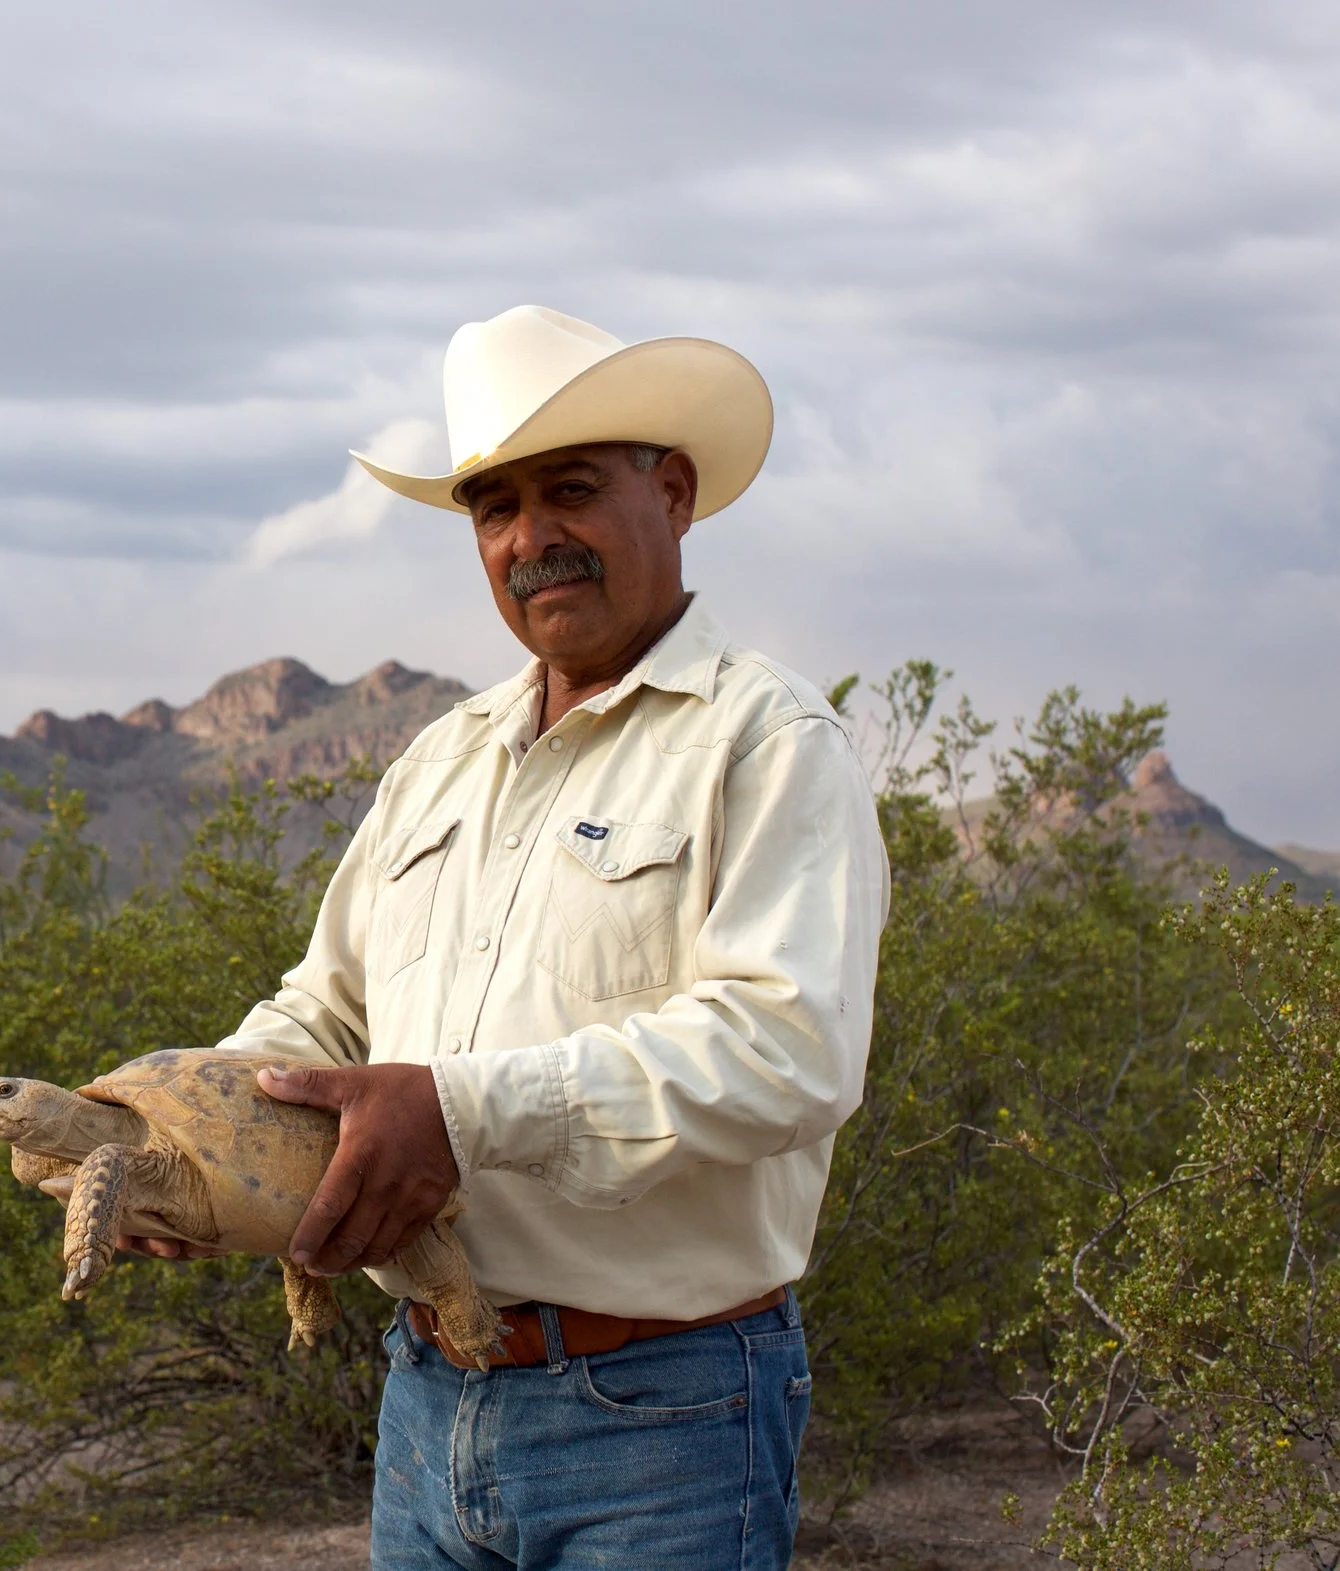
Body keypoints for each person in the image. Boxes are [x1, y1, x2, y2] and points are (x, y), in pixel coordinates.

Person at [129, 305, 888, 1569]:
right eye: (494, 508)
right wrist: (179, 1132)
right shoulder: (442, 758)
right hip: (427, 1394)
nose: (531, 538)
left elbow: (788, 1049)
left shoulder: (765, 740)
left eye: (571, 490)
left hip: (662, 1413)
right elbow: (323, 1013)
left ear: (676, 490)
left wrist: (461, 1112)